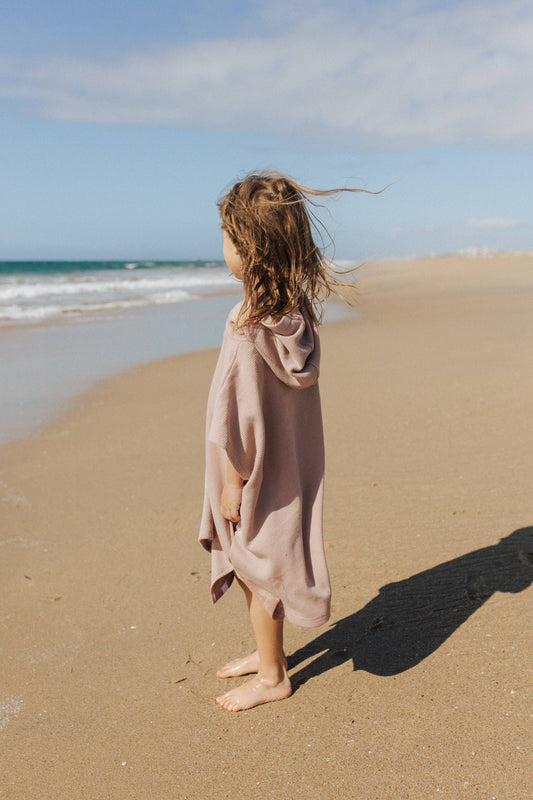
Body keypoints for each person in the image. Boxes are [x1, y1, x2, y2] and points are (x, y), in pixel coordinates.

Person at [199, 171, 365, 711]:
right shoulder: (296, 314)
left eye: (226, 236)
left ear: (249, 248)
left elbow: (239, 420)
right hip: (293, 466)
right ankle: (264, 653)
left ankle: (272, 676)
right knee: (268, 564)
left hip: (253, 473)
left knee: (259, 573)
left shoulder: (246, 324)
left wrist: (232, 483)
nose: (220, 247)